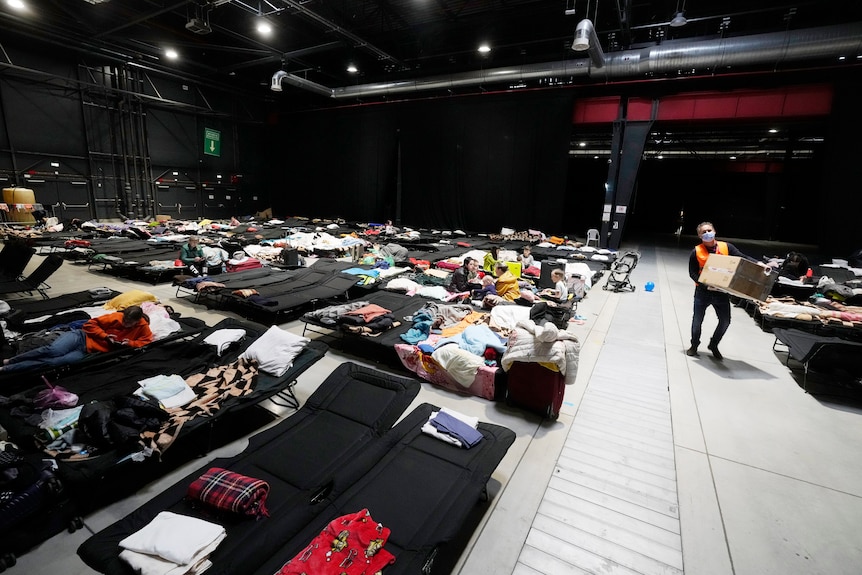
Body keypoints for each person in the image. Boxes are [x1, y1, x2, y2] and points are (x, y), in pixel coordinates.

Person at [0, 306, 153, 372]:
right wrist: (105, 336)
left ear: (137, 321)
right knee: (53, 350)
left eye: (129, 322)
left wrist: (130, 343)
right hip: (80, 336)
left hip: (87, 350)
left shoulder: (142, 327)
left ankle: (7, 369)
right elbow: (89, 325)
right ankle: (12, 360)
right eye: (124, 320)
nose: (125, 324)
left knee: (53, 362)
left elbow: (146, 341)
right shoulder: (116, 317)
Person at [687, 222, 760, 360]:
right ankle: (694, 345)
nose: (707, 233)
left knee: (725, 321)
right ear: (699, 235)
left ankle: (714, 344)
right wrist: (705, 286)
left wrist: (758, 263)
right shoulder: (696, 251)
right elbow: (692, 273)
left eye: (709, 230)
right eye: (704, 232)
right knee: (697, 321)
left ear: (714, 231)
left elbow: (742, 257)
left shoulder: (726, 247)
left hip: (721, 292)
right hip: (703, 292)